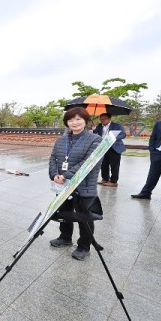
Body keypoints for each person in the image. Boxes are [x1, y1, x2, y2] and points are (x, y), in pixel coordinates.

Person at [49, 107, 102, 260]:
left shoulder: (96, 140)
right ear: (67, 122)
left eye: (78, 119)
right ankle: (65, 237)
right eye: (71, 120)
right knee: (64, 212)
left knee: (84, 216)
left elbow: (87, 163)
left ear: (85, 121)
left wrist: (65, 175)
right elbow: (53, 158)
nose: (75, 122)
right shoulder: (61, 139)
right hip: (63, 184)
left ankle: (84, 246)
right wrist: (54, 175)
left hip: (84, 185)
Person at [132, 104, 161, 206]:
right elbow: (153, 138)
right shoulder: (160, 123)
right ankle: (145, 193)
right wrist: (152, 151)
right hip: (158, 153)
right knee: (152, 175)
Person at [94, 113, 126, 187]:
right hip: (103, 147)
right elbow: (95, 133)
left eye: (104, 119)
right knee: (104, 164)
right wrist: (93, 128)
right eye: (101, 119)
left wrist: (113, 138)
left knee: (114, 165)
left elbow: (123, 135)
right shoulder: (99, 126)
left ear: (109, 119)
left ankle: (114, 181)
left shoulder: (117, 125)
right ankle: (105, 179)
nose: (102, 120)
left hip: (114, 147)